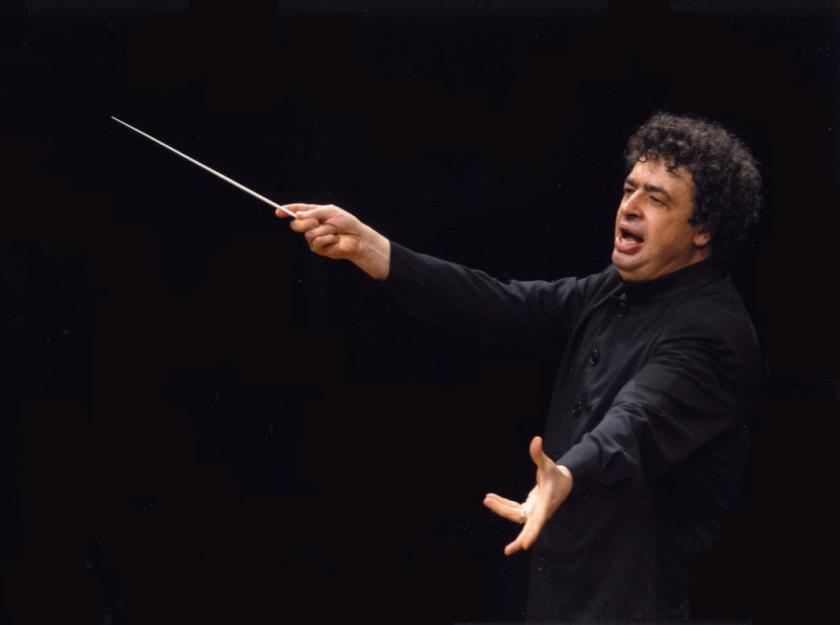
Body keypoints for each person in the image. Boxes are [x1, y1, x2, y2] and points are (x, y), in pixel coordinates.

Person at [276, 112, 762, 623]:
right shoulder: (613, 289)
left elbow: (637, 420)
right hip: (569, 592)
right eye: (629, 189)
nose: (630, 207)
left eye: (656, 199)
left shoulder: (712, 332)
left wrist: (568, 472)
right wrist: (372, 249)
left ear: (703, 229)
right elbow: (505, 304)